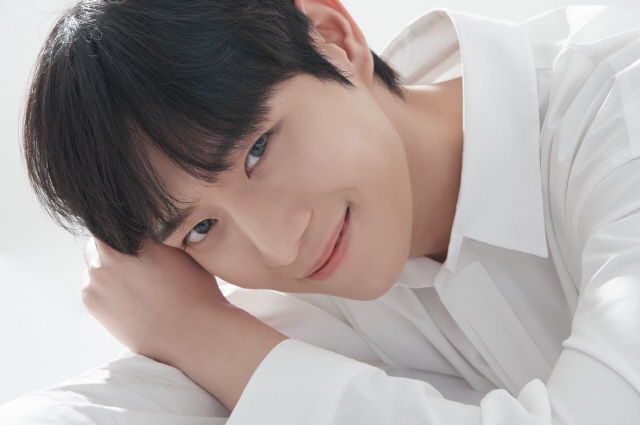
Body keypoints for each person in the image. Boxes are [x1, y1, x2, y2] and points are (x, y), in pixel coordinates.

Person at [4, 0, 640, 423]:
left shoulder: (619, 112)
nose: (279, 249)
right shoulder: (309, 288)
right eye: (201, 228)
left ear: (334, 40)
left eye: (257, 151)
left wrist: (201, 334)